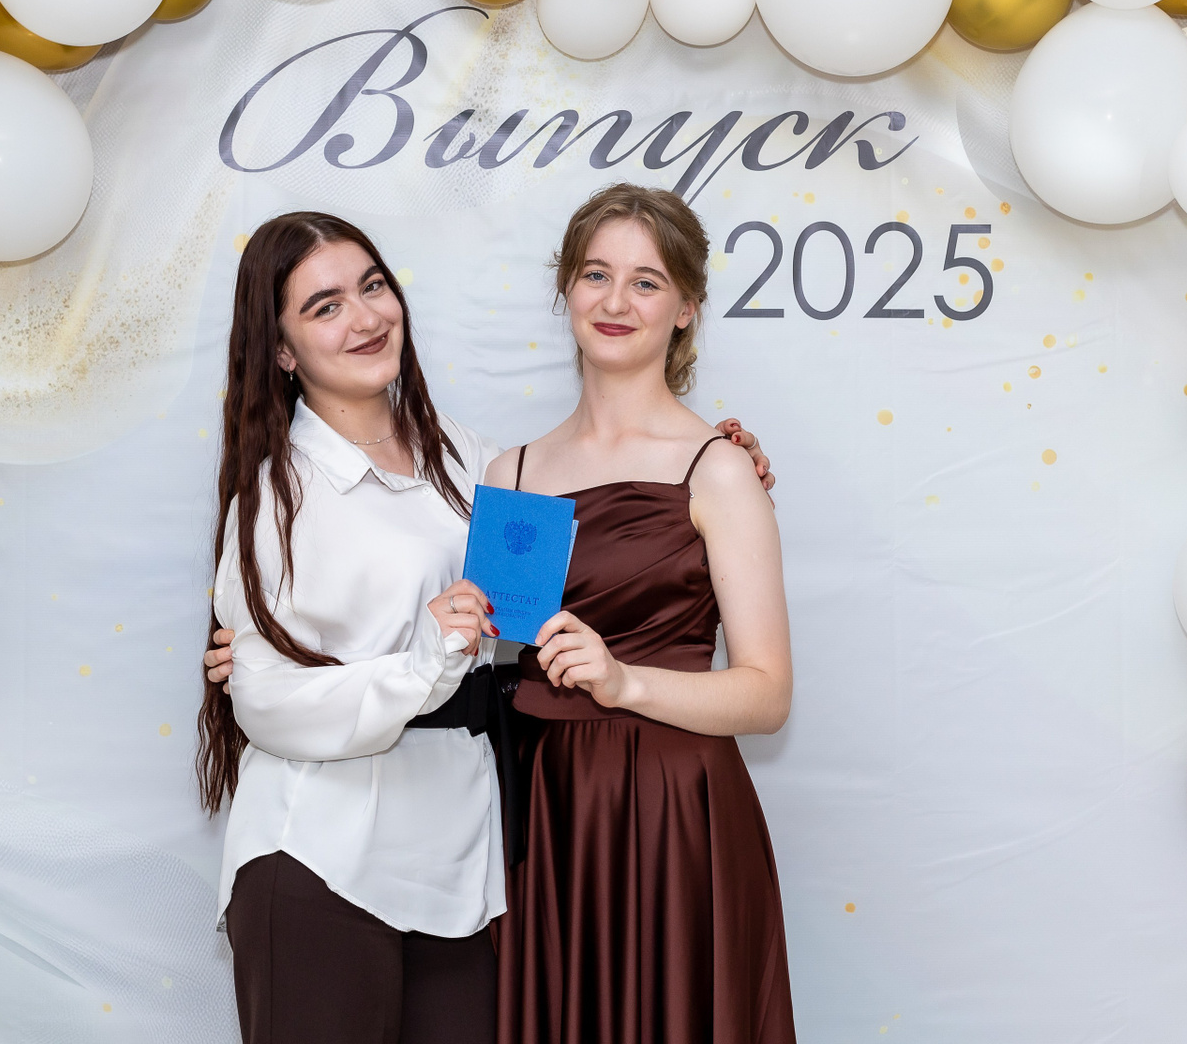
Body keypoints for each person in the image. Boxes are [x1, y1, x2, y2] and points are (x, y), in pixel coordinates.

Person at [198, 210, 774, 1044]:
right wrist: (408, 664)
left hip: (464, 874)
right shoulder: (273, 501)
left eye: (372, 287)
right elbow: (267, 703)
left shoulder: (480, 465)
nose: (363, 317)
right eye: (324, 307)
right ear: (281, 350)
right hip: (321, 858)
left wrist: (721, 468)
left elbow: (595, 531)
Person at [487, 185, 797, 1044]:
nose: (615, 301)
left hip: (672, 813)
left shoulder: (717, 469)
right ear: (565, 289)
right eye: (595, 274)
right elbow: (492, 661)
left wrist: (624, 682)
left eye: (647, 281)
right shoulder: (510, 475)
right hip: (546, 817)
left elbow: (768, 695)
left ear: (687, 308)